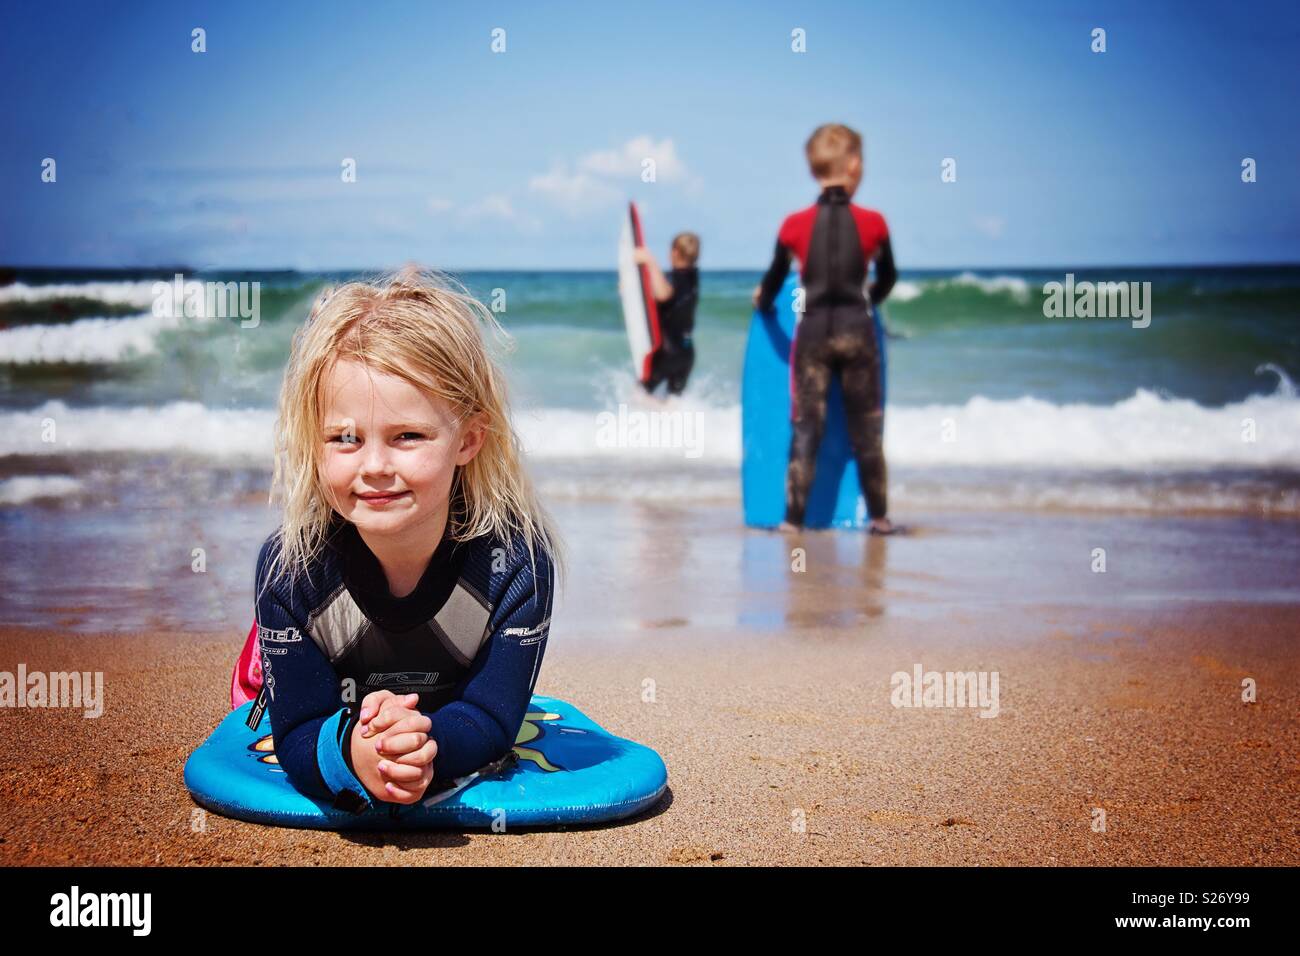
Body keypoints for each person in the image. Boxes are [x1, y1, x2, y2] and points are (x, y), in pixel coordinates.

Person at [250, 270, 562, 814]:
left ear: (468, 439)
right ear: (314, 443)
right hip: (324, 668)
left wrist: (421, 751)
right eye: (345, 438)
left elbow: (491, 716)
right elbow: (299, 730)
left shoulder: (517, 564)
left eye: (408, 436)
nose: (374, 466)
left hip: (438, 709)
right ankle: (257, 663)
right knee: (262, 685)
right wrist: (353, 753)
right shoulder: (290, 572)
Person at [751, 123, 899, 534]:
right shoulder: (874, 223)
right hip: (857, 332)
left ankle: (792, 523)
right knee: (866, 428)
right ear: (853, 165)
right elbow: (887, 278)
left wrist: (761, 302)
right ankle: (881, 519)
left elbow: (775, 277)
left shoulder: (793, 225)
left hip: (813, 334)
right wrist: (870, 296)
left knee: (806, 427)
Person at [635, 232, 700, 396]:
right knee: (674, 402)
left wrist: (650, 261)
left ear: (675, 252)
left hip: (666, 353)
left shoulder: (675, 278)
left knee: (638, 396)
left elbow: (663, 294)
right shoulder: (694, 278)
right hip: (686, 353)